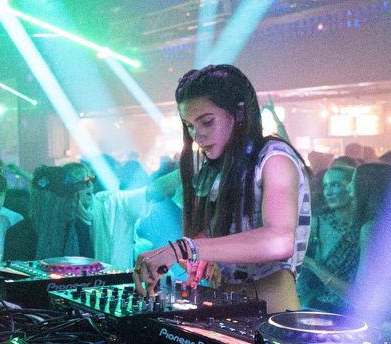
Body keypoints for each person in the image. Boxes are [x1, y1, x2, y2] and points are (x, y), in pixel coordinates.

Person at [131, 65, 311, 315]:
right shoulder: (220, 167)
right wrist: (176, 255)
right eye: (190, 126)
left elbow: (279, 241)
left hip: (273, 313)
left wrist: (185, 248)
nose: (197, 135)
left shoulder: (275, 158)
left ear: (238, 113)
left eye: (207, 122)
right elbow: (221, 236)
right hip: (228, 308)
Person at [298, 157, 359, 311]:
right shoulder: (316, 224)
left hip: (356, 310)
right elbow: (300, 272)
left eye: (335, 185)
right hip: (319, 307)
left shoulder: (364, 227)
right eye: (325, 186)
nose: (328, 192)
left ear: (352, 187)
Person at [4, 163, 97, 261]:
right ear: (45, 200)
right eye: (64, 196)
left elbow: (89, 266)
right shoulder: (19, 234)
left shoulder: (79, 229)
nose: (72, 201)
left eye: (72, 194)